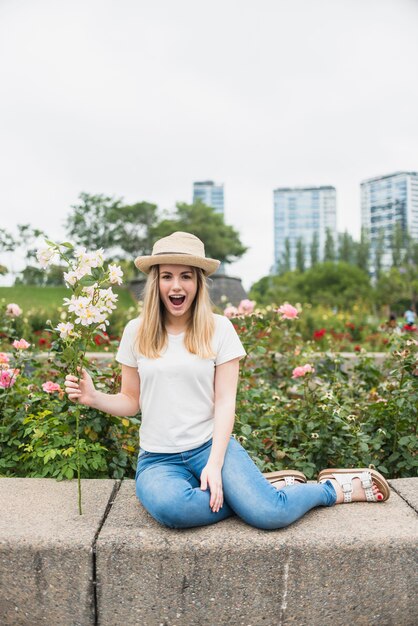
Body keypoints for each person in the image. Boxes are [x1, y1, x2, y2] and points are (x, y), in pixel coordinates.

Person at [64, 232, 390, 530]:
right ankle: (263, 492)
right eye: (167, 276)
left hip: (210, 446)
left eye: (185, 276)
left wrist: (215, 464)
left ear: (199, 282)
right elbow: (131, 400)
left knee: (269, 515)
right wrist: (94, 397)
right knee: (173, 509)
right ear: (156, 282)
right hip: (158, 459)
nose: (176, 286)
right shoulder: (136, 332)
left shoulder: (220, 329)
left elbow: (224, 402)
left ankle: (327, 490)